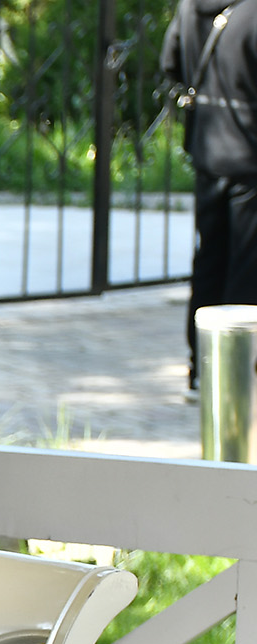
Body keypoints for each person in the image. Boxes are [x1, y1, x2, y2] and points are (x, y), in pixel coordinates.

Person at [164, 0, 257, 389]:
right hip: (250, 154)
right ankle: (234, 371)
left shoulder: (190, 6)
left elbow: (170, 66)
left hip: (208, 149)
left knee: (209, 259)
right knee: (245, 266)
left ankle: (201, 365)